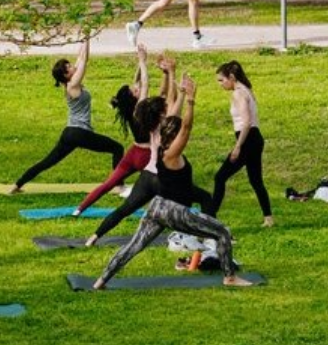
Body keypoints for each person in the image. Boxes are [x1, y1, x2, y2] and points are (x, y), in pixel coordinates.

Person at [91, 75, 251, 289]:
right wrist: (191, 101)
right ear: (173, 135)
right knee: (221, 232)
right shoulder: (170, 154)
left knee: (133, 247)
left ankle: (100, 281)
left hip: (156, 207)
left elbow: (173, 119)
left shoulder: (157, 141)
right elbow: (185, 128)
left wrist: (180, 90)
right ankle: (229, 277)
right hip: (173, 211)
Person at [82, 52, 185, 245]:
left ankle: (93, 237)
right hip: (162, 176)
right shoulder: (164, 124)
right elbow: (170, 100)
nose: (138, 87)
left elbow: (162, 97)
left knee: (124, 208)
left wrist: (162, 73)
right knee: (185, 203)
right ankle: (193, 235)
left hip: (147, 174)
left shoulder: (140, 114)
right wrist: (171, 74)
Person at [4, 37, 124, 193]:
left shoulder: (71, 84)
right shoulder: (72, 86)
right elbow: (84, 62)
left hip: (70, 133)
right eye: (69, 67)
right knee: (117, 148)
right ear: (66, 75)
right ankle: (120, 186)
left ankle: (17, 185)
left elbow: (81, 58)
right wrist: (87, 38)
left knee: (47, 162)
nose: (73, 66)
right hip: (80, 133)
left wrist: (85, 37)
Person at [73, 43, 153, 216]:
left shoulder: (129, 108)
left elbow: (138, 82)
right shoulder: (140, 107)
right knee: (161, 185)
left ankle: (79, 209)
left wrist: (140, 64)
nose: (137, 88)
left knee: (108, 184)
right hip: (146, 155)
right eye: (135, 90)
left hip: (133, 153)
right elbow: (145, 84)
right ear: (134, 96)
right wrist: (143, 62)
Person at [209, 60, 273, 227]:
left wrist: (237, 146)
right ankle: (268, 218)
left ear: (231, 77)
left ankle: (209, 217)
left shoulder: (238, 93)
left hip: (248, 139)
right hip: (255, 138)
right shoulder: (247, 90)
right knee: (256, 180)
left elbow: (246, 122)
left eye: (221, 80)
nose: (220, 84)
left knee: (220, 177)